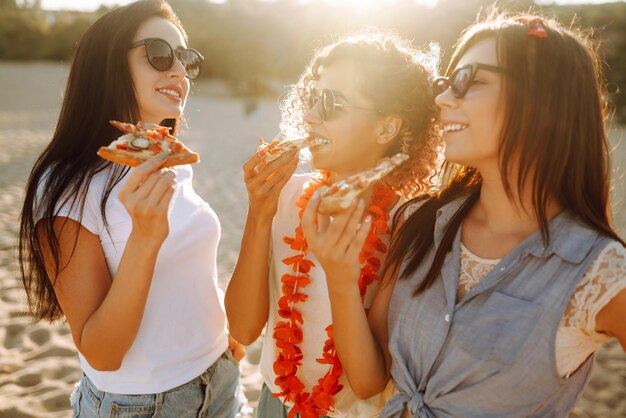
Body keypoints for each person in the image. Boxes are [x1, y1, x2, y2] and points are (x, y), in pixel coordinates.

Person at [301, 12, 626, 418]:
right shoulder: (419, 221)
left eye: (470, 80)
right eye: (445, 84)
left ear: (545, 100)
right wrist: (340, 278)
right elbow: (369, 381)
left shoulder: (599, 271)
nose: (441, 99)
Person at [18, 1, 243, 417]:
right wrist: (144, 239)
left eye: (187, 59)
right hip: (144, 404)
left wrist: (222, 335)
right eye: (159, 54)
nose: (178, 70)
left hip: (222, 381)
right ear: (107, 65)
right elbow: (102, 353)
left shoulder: (164, 158)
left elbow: (189, 266)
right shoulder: (66, 187)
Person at [225, 32, 442, 418]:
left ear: (386, 128)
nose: (310, 116)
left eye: (330, 103)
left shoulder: (409, 221)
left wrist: (342, 275)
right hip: (276, 404)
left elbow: (367, 382)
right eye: (312, 98)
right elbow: (242, 330)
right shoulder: (284, 195)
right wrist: (259, 215)